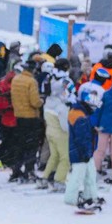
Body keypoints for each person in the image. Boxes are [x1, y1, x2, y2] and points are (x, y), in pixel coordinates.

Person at [38, 61, 74, 191]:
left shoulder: (49, 79)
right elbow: (64, 124)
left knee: (54, 155)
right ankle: (59, 180)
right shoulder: (66, 83)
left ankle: (45, 178)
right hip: (60, 128)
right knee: (65, 157)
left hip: (49, 126)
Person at [66, 84, 103, 210]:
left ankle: (91, 195)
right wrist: (86, 153)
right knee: (77, 177)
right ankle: (71, 198)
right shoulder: (80, 116)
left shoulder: (78, 112)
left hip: (84, 151)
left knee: (90, 175)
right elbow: (82, 138)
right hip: (81, 153)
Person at [10, 58, 43, 182]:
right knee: (31, 146)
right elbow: (34, 102)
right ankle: (29, 170)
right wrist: (41, 101)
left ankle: (16, 169)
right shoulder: (31, 81)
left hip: (18, 115)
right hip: (30, 117)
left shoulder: (16, 79)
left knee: (19, 144)